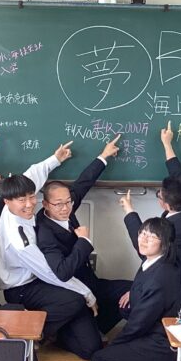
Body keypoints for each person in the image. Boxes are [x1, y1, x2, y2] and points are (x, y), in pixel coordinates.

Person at [0, 141, 102, 360]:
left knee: (90, 344)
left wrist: (56, 159)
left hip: (38, 277)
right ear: (7, 202)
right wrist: (87, 293)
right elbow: (50, 272)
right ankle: (31, 335)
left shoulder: (19, 192)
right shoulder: (19, 240)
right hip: (21, 287)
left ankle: (59, 332)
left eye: (32, 196)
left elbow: (34, 172)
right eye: (22, 200)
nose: (29, 204)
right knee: (74, 299)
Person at [36, 133, 130, 334]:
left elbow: (83, 183)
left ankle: (99, 325)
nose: (65, 208)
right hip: (71, 292)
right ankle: (66, 332)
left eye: (68, 202)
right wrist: (83, 241)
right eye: (58, 204)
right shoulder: (44, 232)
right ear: (45, 205)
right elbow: (62, 272)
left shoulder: (66, 205)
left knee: (134, 290)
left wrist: (104, 155)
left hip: (91, 282)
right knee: (89, 347)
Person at [120, 121, 181, 302]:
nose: (158, 195)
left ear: (166, 205)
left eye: (159, 195)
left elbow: (144, 248)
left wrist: (129, 210)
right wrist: (167, 144)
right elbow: (179, 177)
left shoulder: (172, 231)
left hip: (178, 293)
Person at [90, 217, 181, 361]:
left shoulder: (160, 277)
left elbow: (139, 323)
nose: (143, 240)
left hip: (161, 344)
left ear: (165, 243)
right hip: (149, 334)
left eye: (152, 236)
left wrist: (115, 344)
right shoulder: (153, 263)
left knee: (100, 359)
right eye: (142, 233)